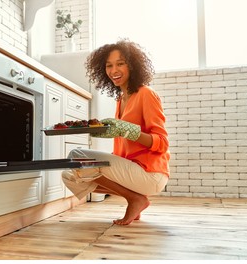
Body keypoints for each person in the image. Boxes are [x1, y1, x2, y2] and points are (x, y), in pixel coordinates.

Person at [61, 39, 170, 225]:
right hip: (132, 171)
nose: (114, 71)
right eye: (109, 65)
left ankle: (136, 199)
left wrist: (130, 132)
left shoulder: (146, 94)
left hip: (150, 173)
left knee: (76, 155)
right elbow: (123, 151)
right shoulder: (121, 99)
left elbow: (162, 143)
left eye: (120, 63)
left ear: (133, 65)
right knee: (69, 175)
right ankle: (135, 198)